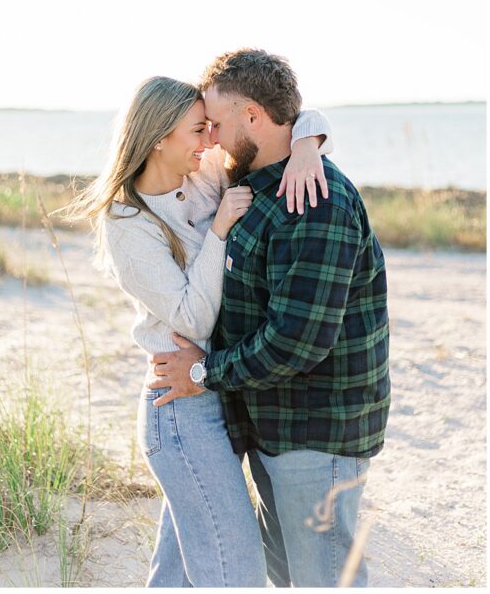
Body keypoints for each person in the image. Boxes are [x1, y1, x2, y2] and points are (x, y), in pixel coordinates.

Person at [65, 74, 334, 587]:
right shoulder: (127, 223)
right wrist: (218, 231)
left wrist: (306, 147)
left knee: (179, 575)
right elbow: (192, 319)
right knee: (236, 573)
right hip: (180, 410)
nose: (211, 140)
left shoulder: (203, 174)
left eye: (211, 127)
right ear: (160, 136)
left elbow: (289, 118)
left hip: (219, 389)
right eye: (198, 130)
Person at [149, 48, 390, 587]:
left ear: (253, 117)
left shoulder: (314, 199)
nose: (209, 136)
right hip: (271, 420)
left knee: (323, 580)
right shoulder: (253, 182)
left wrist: (201, 373)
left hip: (317, 432)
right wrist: (308, 135)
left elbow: (296, 343)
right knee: (289, 574)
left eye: (215, 122)